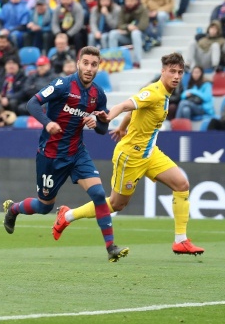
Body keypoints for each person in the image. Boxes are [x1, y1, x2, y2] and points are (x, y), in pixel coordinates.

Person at [54, 52, 205, 256]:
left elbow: (135, 111)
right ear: (163, 71)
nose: (176, 76)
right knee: (116, 204)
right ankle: (67, 216)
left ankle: (181, 240)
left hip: (150, 153)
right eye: (172, 71)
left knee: (182, 184)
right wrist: (109, 118)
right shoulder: (153, 92)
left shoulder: (165, 94)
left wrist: (122, 127)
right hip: (131, 156)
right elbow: (125, 105)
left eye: (180, 72)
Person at [2, 46, 127, 261]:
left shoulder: (98, 94)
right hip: (51, 155)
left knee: (98, 194)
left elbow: (103, 128)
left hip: (77, 152)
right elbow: (32, 103)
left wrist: (96, 122)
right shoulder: (63, 85)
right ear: (78, 63)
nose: (89, 68)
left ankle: (111, 248)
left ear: (98, 67)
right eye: (85, 63)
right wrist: (47, 122)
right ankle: (13, 209)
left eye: (94, 64)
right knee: (44, 207)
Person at [109, 0, 148, 69]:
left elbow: (144, 25)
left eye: (131, 0)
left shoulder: (143, 9)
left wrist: (132, 28)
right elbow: (120, 24)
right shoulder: (123, 9)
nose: (129, 3)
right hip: (127, 35)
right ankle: (114, 61)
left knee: (135, 33)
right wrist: (127, 27)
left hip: (141, 36)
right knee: (113, 33)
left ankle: (138, 61)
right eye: (127, 1)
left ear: (136, 0)